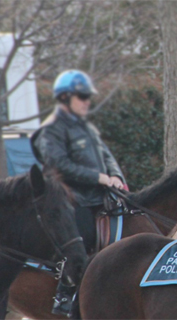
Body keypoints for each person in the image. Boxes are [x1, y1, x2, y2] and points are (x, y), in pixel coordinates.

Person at [30, 69, 126, 316]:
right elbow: (59, 164)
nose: (87, 101)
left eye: (87, 97)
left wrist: (116, 176)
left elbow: (106, 155)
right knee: (79, 239)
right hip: (71, 200)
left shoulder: (86, 127)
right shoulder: (50, 130)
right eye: (82, 97)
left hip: (100, 197)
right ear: (65, 98)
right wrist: (98, 177)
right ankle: (65, 294)